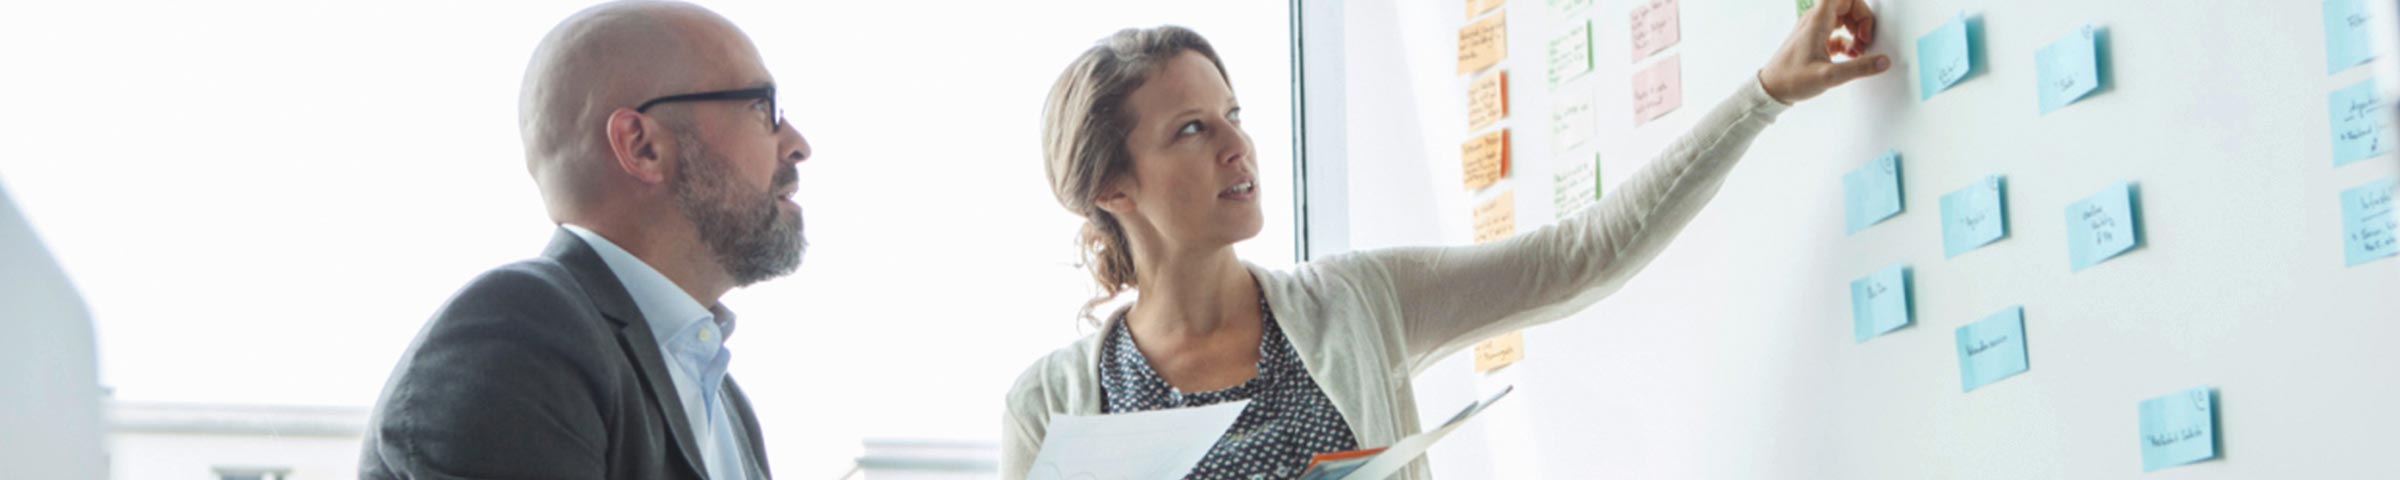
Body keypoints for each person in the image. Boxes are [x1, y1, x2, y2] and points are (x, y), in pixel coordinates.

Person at [1002, 0, 1888, 478]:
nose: (1239, 146)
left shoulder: (1353, 303)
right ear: (1110, 187)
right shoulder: (1053, 407)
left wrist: (1764, 93)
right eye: (1191, 130)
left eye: (1234, 114)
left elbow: (1583, 254)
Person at [359, 1, 812, 478]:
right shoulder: (521, 331)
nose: (798, 144)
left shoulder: (721, 398)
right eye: (762, 107)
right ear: (642, 145)